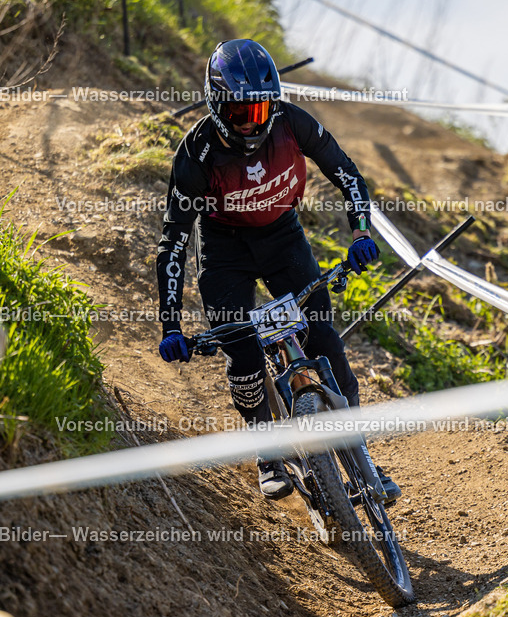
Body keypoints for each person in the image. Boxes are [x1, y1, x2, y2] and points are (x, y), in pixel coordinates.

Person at [155, 39, 401, 502]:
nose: (257, 122)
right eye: (242, 114)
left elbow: (345, 172)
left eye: (264, 108)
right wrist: (170, 323)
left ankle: (361, 455)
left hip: (282, 237)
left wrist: (362, 232)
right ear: (216, 106)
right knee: (243, 359)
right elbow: (174, 242)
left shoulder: (292, 122)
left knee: (325, 341)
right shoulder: (195, 157)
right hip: (224, 250)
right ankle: (268, 451)